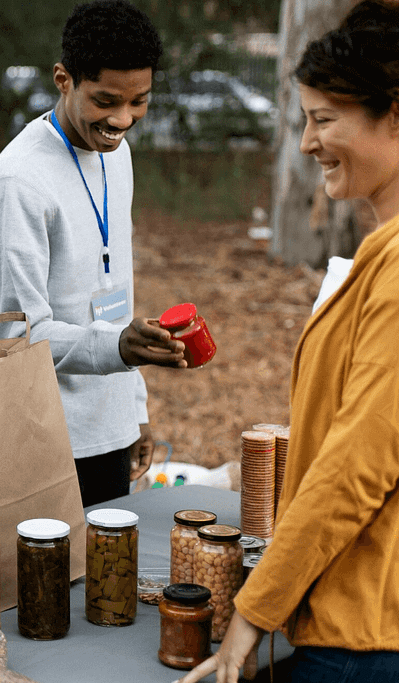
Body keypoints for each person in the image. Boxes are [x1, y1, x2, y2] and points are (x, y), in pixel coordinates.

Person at [179, 2, 399, 682]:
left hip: (363, 637)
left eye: (323, 119)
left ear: (394, 115)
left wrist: (254, 612)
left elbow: (356, 464)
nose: (307, 143)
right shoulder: (379, 249)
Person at [0, 0, 185, 508]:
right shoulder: (18, 182)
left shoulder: (118, 157)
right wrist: (119, 349)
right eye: (106, 100)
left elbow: (117, 291)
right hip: (42, 435)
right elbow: (16, 336)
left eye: (140, 102)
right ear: (63, 79)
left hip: (109, 429)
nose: (122, 119)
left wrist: (132, 411)